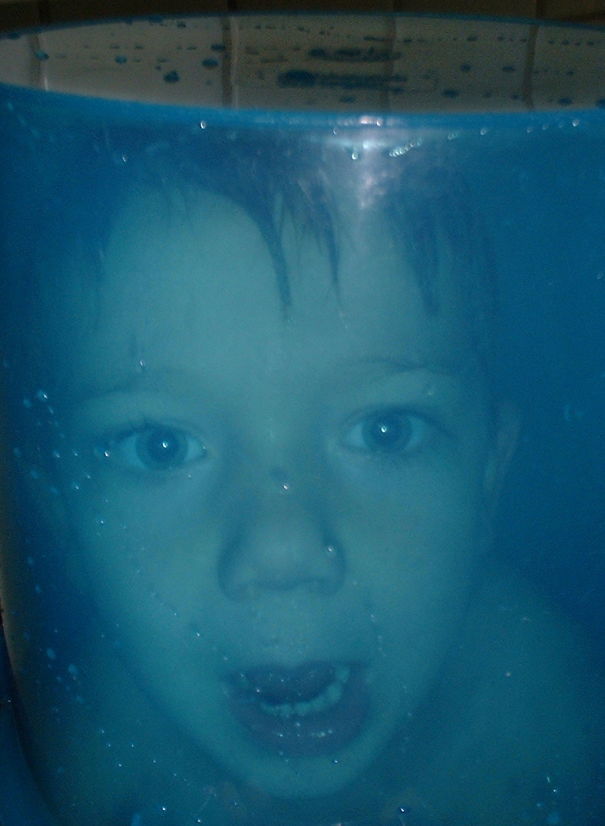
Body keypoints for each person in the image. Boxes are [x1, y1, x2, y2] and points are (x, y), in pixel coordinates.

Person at [0, 128, 602, 826]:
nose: (280, 552)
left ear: (487, 483)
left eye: (385, 431)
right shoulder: (92, 750)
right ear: (65, 519)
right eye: (161, 445)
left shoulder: (551, 708)